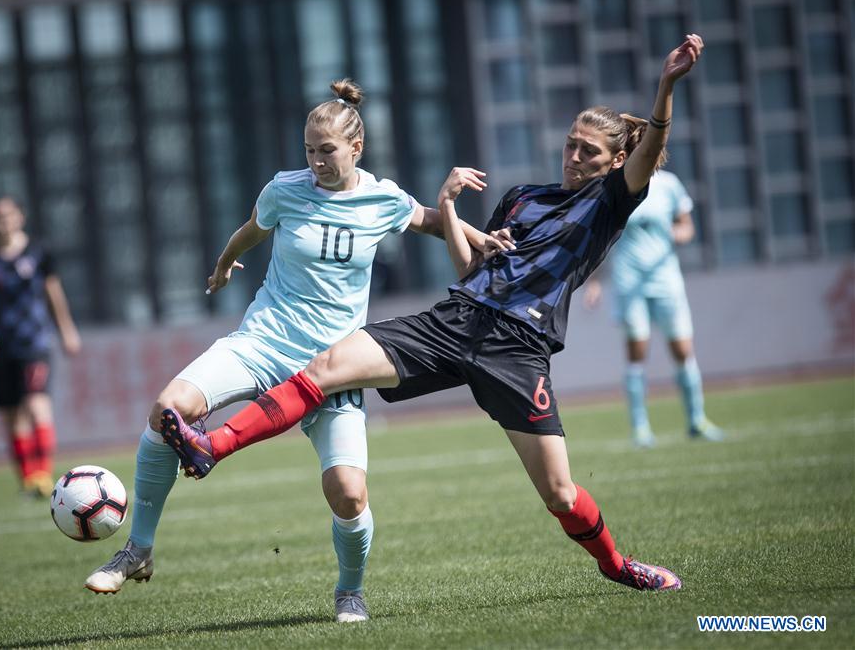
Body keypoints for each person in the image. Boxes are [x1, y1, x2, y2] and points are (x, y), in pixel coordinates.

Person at [164, 35, 705, 594]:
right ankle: (212, 446)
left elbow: (650, 149)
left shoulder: (611, 200)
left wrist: (666, 86)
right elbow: (471, 268)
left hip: (518, 349)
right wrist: (446, 205)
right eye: (570, 145)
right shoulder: (522, 198)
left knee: (561, 495)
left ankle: (617, 565)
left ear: (616, 161)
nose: (573, 158)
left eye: (588, 152)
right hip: (456, 320)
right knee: (326, 366)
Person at [84, 80, 503, 623]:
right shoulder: (286, 189)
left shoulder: (382, 197)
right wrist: (223, 262)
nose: (316, 161)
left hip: (335, 365)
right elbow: (252, 231)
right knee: (169, 408)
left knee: (349, 494)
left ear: (356, 149)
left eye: (326, 151)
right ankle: (137, 550)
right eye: (309, 150)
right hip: (263, 341)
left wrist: (481, 237)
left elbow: (427, 219)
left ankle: (349, 591)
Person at [583, 170, 724, 447]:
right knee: (637, 352)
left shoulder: (669, 184)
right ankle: (641, 429)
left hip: (665, 280)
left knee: (682, 350)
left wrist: (675, 234)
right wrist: (595, 281)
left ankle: (697, 420)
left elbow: (687, 226)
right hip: (629, 281)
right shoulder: (617, 187)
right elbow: (604, 238)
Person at [0, 196, 82, 497]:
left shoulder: (38, 252)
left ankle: (43, 473)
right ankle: (28, 479)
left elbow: (54, 295)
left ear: (20, 217)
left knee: (36, 403)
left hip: (34, 343)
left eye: (8, 215)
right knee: (12, 413)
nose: (3, 222)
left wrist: (67, 330)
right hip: (1, 346)